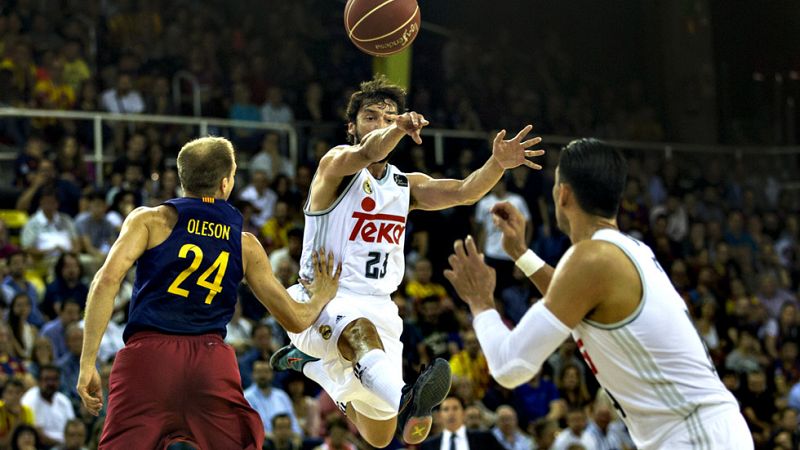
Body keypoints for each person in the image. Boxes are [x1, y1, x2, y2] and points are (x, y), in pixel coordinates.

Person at [270, 76, 544, 447]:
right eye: (371, 117)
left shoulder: (405, 184)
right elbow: (367, 153)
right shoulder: (334, 165)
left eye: (389, 117)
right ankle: (405, 397)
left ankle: (311, 366)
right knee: (362, 339)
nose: (381, 124)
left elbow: (464, 193)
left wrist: (497, 164)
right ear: (352, 126)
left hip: (380, 305)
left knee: (379, 435)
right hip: (321, 297)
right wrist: (397, 128)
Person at [443, 138, 753, 450]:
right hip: (703, 430)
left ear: (563, 194)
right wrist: (522, 255)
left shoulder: (591, 259)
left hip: (694, 434)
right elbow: (572, 299)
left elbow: (509, 367)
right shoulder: (629, 249)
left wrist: (480, 302)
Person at [76, 137, 342, 449]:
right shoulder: (246, 245)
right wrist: (322, 294)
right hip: (209, 360)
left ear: (181, 178)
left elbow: (106, 282)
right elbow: (297, 320)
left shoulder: (149, 220)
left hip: (147, 359)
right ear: (226, 183)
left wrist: (87, 362)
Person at [419, 395, 502, 450]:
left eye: (455, 408)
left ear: (463, 413)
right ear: (440, 416)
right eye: (446, 409)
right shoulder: (428, 446)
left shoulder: (485, 438)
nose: (451, 413)